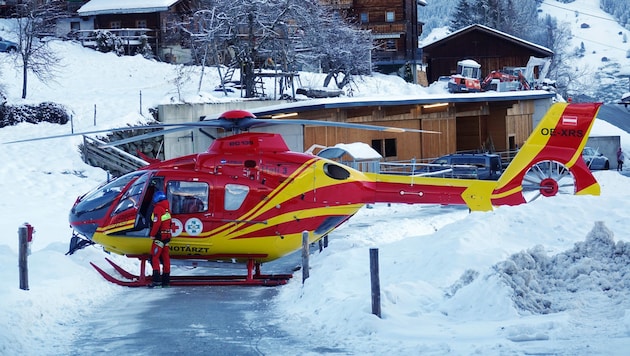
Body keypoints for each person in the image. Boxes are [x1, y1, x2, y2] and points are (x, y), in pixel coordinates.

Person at [149, 190, 172, 288]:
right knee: (166, 258)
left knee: (154, 257)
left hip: (160, 237)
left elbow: (157, 223)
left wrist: (152, 235)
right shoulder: (167, 208)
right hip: (167, 236)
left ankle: (157, 281)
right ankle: (166, 281)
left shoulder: (158, 208)